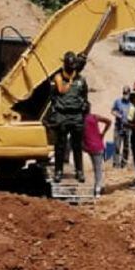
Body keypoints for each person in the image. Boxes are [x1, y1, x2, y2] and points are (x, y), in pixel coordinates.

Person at [49, 51, 89, 183]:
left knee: (77, 145)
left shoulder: (81, 80)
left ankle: (79, 171)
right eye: (69, 65)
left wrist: (83, 111)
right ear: (65, 64)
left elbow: (85, 97)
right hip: (62, 115)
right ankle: (58, 171)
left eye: (73, 65)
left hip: (76, 116)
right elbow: (52, 97)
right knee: (60, 146)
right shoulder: (58, 78)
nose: (71, 67)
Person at [82, 112, 112, 195]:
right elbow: (109, 121)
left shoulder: (79, 120)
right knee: (98, 169)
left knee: (96, 168)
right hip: (98, 146)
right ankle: (98, 189)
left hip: (88, 147)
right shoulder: (94, 117)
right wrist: (103, 133)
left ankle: (98, 188)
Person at [111, 86, 132, 168]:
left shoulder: (132, 103)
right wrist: (117, 114)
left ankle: (124, 163)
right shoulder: (118, 101)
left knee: (126, 146)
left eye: (126, 93)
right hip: (118, 127)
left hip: (128, 128)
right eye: (124, 93)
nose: (125, 95)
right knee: (116, 145)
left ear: (129, 93)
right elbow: (113, 110)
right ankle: (116, 163)